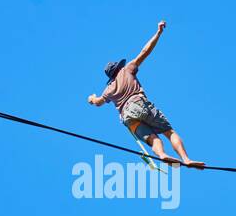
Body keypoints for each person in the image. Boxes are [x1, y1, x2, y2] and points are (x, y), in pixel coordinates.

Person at [87, 21, 204, 168]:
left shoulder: (108, 90)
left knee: (154, 140)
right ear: (118, 68)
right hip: (139, 103)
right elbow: (145, 51)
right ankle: (186, 159)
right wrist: (158, 33)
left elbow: (98, 102)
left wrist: (91, 99)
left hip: (128, 117)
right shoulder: (127, 69)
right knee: (169, 132)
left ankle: (161, 155)